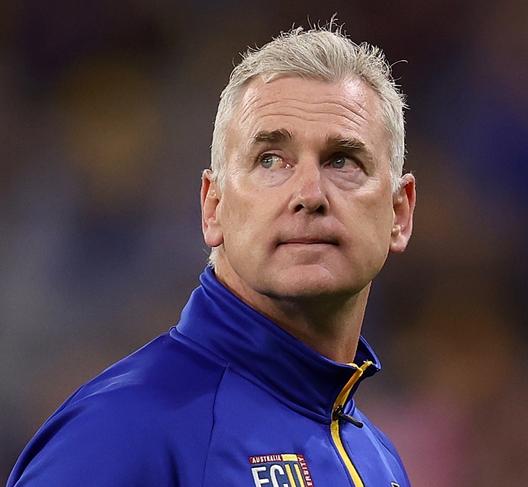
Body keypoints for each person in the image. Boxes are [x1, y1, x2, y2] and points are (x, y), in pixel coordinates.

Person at [8, 25, 416, 487]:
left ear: (399, 213)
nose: (310, 194)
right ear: (213, 207)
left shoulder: (378, 460)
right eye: (270, 160)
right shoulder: (121, 434)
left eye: (342, 160)